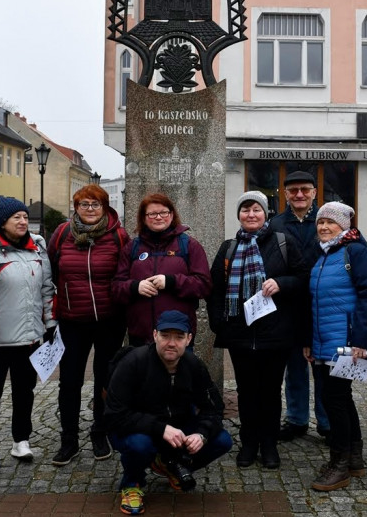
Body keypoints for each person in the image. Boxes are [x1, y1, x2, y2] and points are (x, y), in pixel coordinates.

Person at [208, 191, 308, 470]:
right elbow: (214, 289)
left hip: (275, 334)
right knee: (246, 392)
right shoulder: (228, 248)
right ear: (238, 215)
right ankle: (249, 443)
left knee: (270, 392)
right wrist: (219, 323)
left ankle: (269, 445)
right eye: (245, 210)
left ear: (266, 214)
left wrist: (282, 283)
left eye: (256, 210)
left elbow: (302, 278)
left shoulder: (282, 243)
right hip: (240, 335)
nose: (251, 215)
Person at [104, 310, 233, 516]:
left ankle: (171, 464)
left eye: (179, 337)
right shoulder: (133, 363)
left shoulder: (194, 365)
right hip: (136, 429)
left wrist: (201, 434)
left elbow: (214, 408)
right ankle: (131, 484)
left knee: (222, 440)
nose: (171, 343)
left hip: (177, 427)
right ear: (155, 335)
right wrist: (160, 428)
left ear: (189, 339)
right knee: (140, 445)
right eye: (165, 336)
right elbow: (113, 415)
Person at [47, 184, 130, 466]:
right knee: (69, 382)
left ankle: (100, 432)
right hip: (72, 320)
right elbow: (50, 272)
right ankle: (68, 440)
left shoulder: (118, 236)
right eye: (85, 204)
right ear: (76, 207)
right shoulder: (61, 235)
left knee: (105, 379)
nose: (91, 209)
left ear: (105, 207)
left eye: (96, 204)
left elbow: (126, 273)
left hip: (110, 319)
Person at [305, 201, 367, 492]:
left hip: (347, 343)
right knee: (340, 399)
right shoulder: (325, 254)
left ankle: (339, 464)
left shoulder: (355, 252)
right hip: (324, 343)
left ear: (345, 226)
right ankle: (354, 459)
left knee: (334, 401)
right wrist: (309, 342)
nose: (324, 227)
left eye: (330, 223)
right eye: (320, 223)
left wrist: (360, 342)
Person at [0, 196, 55, 475]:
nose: (22, 222)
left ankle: (21, 440)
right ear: (2, 222)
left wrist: (50, 324)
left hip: (30, 337)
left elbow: (46, 288)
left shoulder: (37, 247)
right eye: (15, 218)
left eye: (24, 217)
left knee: (25, 392)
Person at [268, 171, 331, 443]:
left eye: (305, 189)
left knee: (324, 367)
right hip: (290, 303)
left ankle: (327, 422)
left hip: (323, 303)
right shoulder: (275, 224)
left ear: (315, 193)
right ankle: (296, 419)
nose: (299, 195)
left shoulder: (327, 221)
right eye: (293, 191)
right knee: (295, 366)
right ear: (285, 194)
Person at [113, 193, 211, 346]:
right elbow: (116, 287)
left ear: (172, 215)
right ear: (144, 218)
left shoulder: (190, 245)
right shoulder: (132, 248)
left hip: (177, 335)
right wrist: (135, 287)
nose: (158, 217)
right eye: (152, 214)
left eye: (163, 212)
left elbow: (204, 285)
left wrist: (171, 281)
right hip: (140, 335)